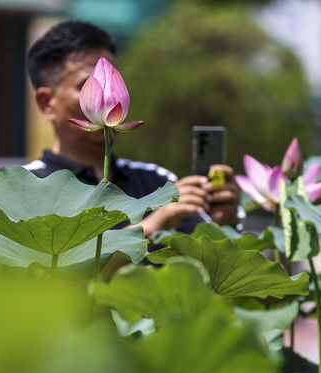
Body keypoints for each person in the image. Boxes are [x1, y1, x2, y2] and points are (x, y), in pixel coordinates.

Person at [24, 20, 240, 238]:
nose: (109, 96)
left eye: (114, 84)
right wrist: (154, 224)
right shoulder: (25, 187)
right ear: (46, 103)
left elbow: (205, 257)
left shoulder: (159, 182)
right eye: (88, 85)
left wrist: (222, 223)